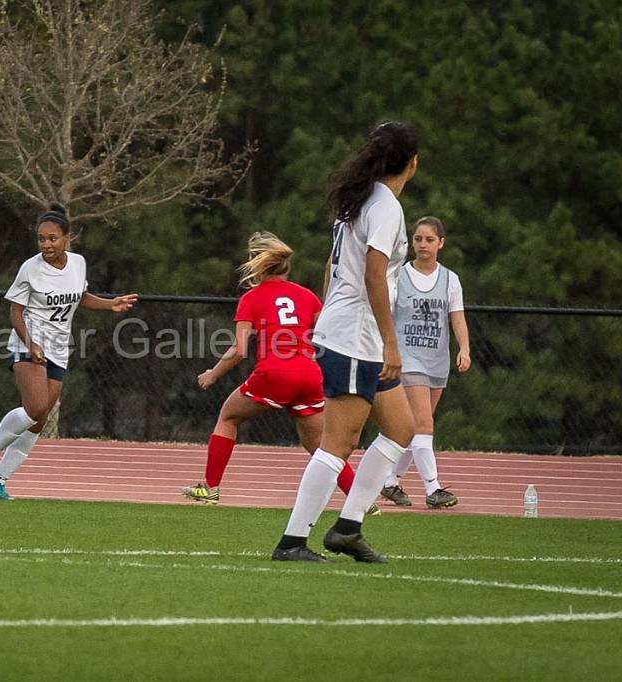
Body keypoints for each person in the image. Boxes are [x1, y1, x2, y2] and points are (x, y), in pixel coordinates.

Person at [270, 121, 419, 563]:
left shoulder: (362, 198)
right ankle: (292, 542)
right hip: (358, 335)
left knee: (401, 428)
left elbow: (334, 265)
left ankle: (348, 528)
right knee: (339, 442)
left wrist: (328, 316)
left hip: (356, 332)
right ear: (413, 162)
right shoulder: (385, 205)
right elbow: (373, 273)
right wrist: (391, 343)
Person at [182, 232, 379, 517]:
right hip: (310, 374)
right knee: (321, 445)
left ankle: (210, 488)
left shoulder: (251, 298)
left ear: (256, 264)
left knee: (228, 416)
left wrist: (213, 374)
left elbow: (239, 350)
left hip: (275, 373)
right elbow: (328, 334)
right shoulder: (307, 296)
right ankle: (362, 501)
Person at [0, 204, 138, 500]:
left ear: (67, 239)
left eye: (52, 238)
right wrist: (31, 343)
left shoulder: (78, 263)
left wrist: (110, 303)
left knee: (38, 420)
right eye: (41, 239)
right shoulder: (30, 268)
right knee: (35, 407)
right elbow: (15, 312)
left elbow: (80, 297)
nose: (46, 244)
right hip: (28, 342)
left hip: (59, 348)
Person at [379, 216, 470, 508]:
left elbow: (456, 316)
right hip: (408, 359)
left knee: (411, 428)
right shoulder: (399, 276)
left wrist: (464, 348)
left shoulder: (450, 279)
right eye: (418, 239)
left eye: (429, 240)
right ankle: (433, 489)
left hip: (437, 360)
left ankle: (390, 482)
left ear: (441, 243)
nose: (423, 245)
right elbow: (385, 316)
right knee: (423, 423)